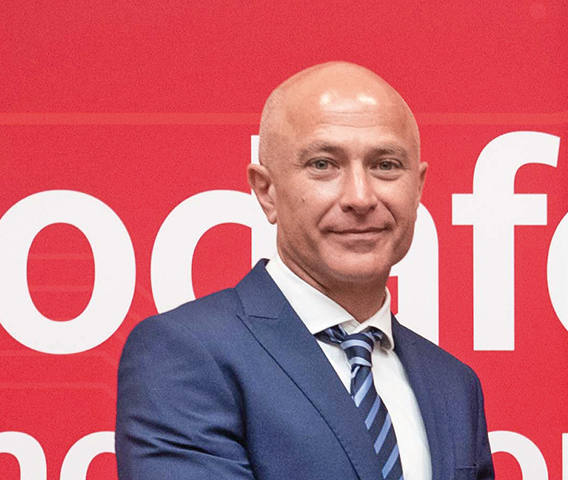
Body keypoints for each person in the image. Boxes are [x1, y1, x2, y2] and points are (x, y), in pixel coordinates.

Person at [115, 62, 494, 480]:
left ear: (418, 187)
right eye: (323, 164)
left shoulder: (454, 385)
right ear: (266, 191)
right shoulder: (185, 353)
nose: (360, 197)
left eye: (385, 165)